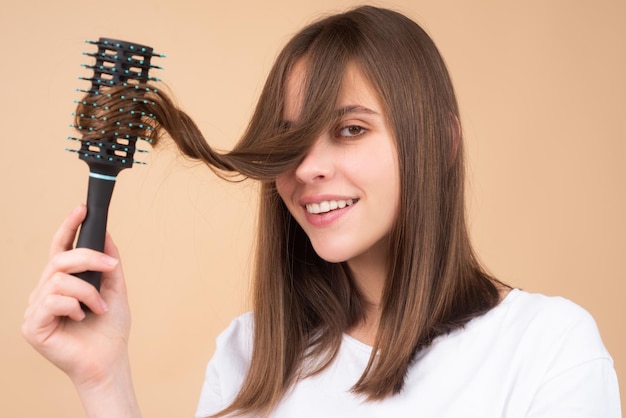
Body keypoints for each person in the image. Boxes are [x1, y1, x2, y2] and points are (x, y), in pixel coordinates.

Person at [22, 5, 621, 418]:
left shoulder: (547, 349)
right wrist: (103, 379)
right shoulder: (251, 355)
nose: (308, 168)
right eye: (291, 140)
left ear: (442, 142)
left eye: (350, 129)